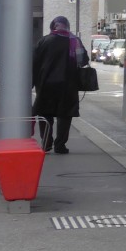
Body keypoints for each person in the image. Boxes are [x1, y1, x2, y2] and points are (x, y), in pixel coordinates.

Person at [32, 16, 89, 154]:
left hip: (46, 85)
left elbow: (34, 63)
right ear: (67, 26)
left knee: (45, 114)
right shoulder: (74, 41)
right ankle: (60, 145)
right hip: (68, 85)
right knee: (65, 115)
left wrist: (32, 82)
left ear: (53, 26)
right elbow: (83, 61)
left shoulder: (44, 41)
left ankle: (46, 143)